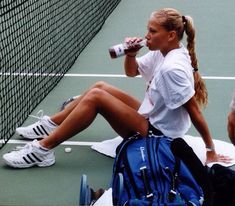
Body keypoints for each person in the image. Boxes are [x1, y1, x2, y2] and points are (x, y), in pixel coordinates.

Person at [3, 8, 229, 205]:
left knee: (96, 98)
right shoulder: (163, 53)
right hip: (151, 115)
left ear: (170, 35)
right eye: (147, 29)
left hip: (160, 135)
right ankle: (52, 124)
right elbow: (131, 72)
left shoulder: (173, 67)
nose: (146, 35)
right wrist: (131, 54)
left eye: (152, 31)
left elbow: (194, 111)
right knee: (100, 86)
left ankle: (43, 150)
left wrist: (210, 151)